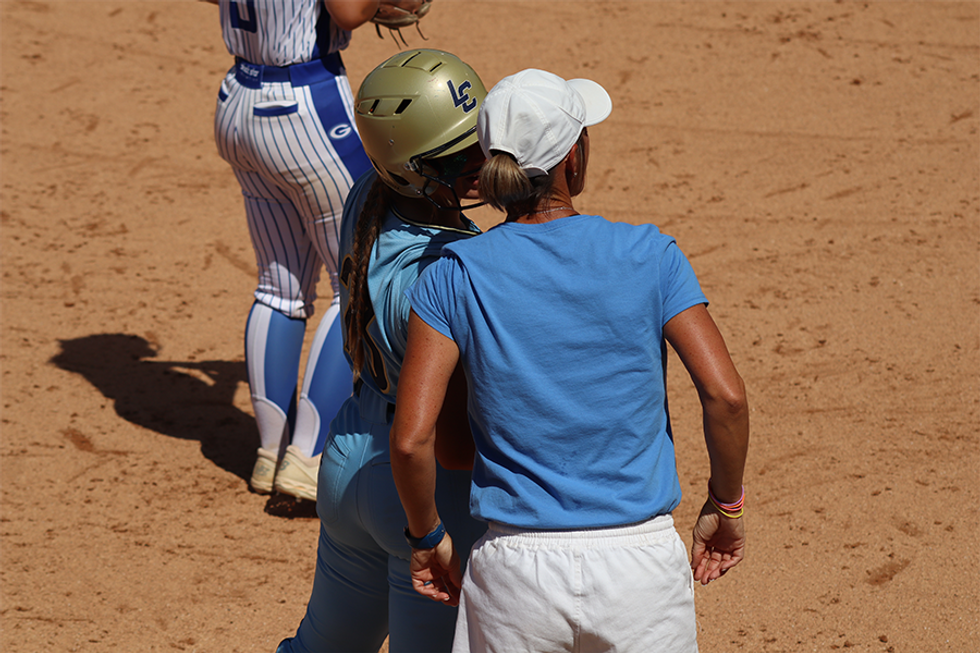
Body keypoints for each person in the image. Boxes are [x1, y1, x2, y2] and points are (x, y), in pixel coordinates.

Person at [390, 68, 750, 652]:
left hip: (513, 574)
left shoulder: (452, 275)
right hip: (641, 569)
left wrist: (427, 534)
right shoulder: (651, 255)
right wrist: (726, 504)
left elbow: (411, 441)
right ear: (573, 161)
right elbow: (727, 398)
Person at [276, 49, 491, 653]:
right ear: (413, 168)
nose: (481, 162)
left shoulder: (368, 195)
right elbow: (454, 426)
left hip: (348, 462)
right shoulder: (449, 270)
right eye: (458, 157)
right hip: (424, 485)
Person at [209, 0, 428, 501]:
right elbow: (349, 11)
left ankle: (269, 452)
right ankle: (308, 458)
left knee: (277, 286)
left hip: (237, 101)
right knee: (353, 278)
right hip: (306, 108)